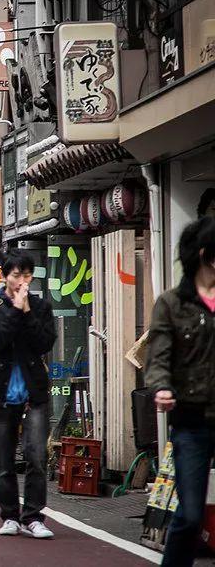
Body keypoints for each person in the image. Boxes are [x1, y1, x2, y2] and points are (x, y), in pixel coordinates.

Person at [146, 216, 215, 565]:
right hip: (192, 420)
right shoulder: (172, 303)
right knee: (190, 515)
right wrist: (161, 387)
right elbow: (157, 356)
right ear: (206, 255)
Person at [0, 250, 57, 540]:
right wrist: (14, 310)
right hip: (2, 391)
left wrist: (27, 312)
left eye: (26, 275)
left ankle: (34, 516)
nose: (21, 281)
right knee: (5, 457)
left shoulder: (41, 307)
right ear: (5, 276)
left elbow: (44, 343)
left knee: (36, 455)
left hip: (33, 389)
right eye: (15, 275)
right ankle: (9, 515)